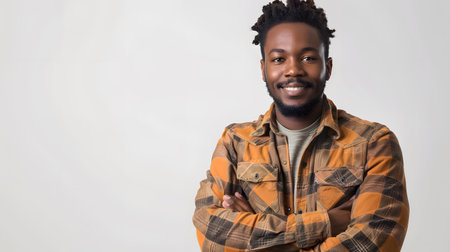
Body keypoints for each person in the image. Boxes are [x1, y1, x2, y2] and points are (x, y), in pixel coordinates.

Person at [192, 0, 409, 251]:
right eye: (278, 59)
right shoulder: (235, 142)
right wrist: (327, 223)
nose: (293, 70)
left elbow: (375, 241)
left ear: (327, 67)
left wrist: (254, 237)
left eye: (307, 57)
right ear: (263, 70)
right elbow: (211, 238)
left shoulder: (374, 143)